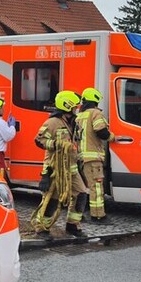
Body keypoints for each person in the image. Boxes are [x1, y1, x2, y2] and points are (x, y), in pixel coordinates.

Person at [30, 91, 87, 238]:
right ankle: (42, 227)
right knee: (52, 200)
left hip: (72, 168)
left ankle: (72, 225)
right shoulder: (52, 123)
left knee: (81, 194)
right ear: (66, 106)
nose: (77, 109)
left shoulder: (74, 122)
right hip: (55, 168)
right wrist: (57, 144)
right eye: (74, 106)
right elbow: (39, 141)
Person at [75, 87, 115, 221]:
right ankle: (98, 215)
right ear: (96, 100)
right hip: (93, 158)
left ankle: (78, 214)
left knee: (83, 187)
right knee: (96, 187)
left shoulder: (80, 115)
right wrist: (113, 137)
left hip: (81, 157)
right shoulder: (95, 114)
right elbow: (101, 132)